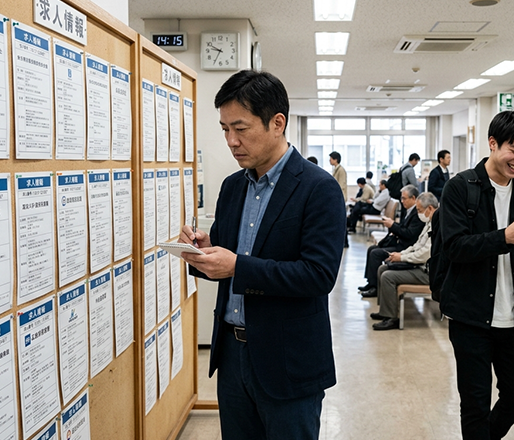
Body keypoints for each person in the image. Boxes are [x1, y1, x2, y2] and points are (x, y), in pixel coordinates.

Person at [178, 70, 346, 440]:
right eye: (225, 129)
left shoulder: (319, 188)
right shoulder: (232, 187)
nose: (231, 141)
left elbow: (318, 275)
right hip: (233, 357)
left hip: (288, 361)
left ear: (277, 123)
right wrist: (202, 253)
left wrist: (237, 266)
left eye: (240, 128)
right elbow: (225, 262)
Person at [440, 108, 514, 439]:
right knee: (475, 405)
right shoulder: (460, 187)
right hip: (471, 317)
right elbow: (454, 247)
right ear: (493, 143)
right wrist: (504, 237)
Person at [371, 192, 439, 330]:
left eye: (419, 210)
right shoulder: (430, 222)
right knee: (383, 268)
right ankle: (385, 312)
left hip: (428, 273)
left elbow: (425, 254)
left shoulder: (439, 225)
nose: (418, 214)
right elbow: (417, 245)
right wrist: (400, 254)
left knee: (388, 276)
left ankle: (392, 318)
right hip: (420, 266)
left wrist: (402, 258)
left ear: (430, 208)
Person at [359, 185, 423, 298]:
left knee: (375, 253)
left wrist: (393, 225)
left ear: (413, 198)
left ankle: (375, 288)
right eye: (401, 198)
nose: (402, 201)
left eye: (404, 198)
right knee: (372, 249)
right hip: (400, 242)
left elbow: (410, 234)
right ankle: (371, 282)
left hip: (405, 247)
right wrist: (393, 226)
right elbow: (403, 227)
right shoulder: (408, 210)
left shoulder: (417, 213)